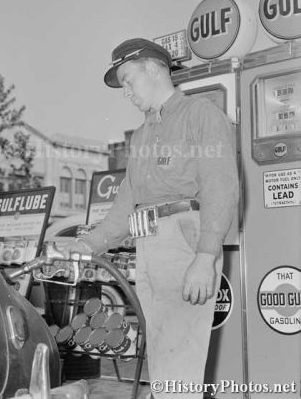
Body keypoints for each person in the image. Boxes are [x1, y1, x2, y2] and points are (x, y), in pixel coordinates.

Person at [69, 38, 239, 398]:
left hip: (184, 242)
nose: (126, 92)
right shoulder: (144, 135)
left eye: (128, 80)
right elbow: (124, 205)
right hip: (150, 247)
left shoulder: (200, 115)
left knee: (179, 366)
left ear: (154, 68)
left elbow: (220, 188)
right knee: (164, 362)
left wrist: (205, 256)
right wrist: (87, 245)